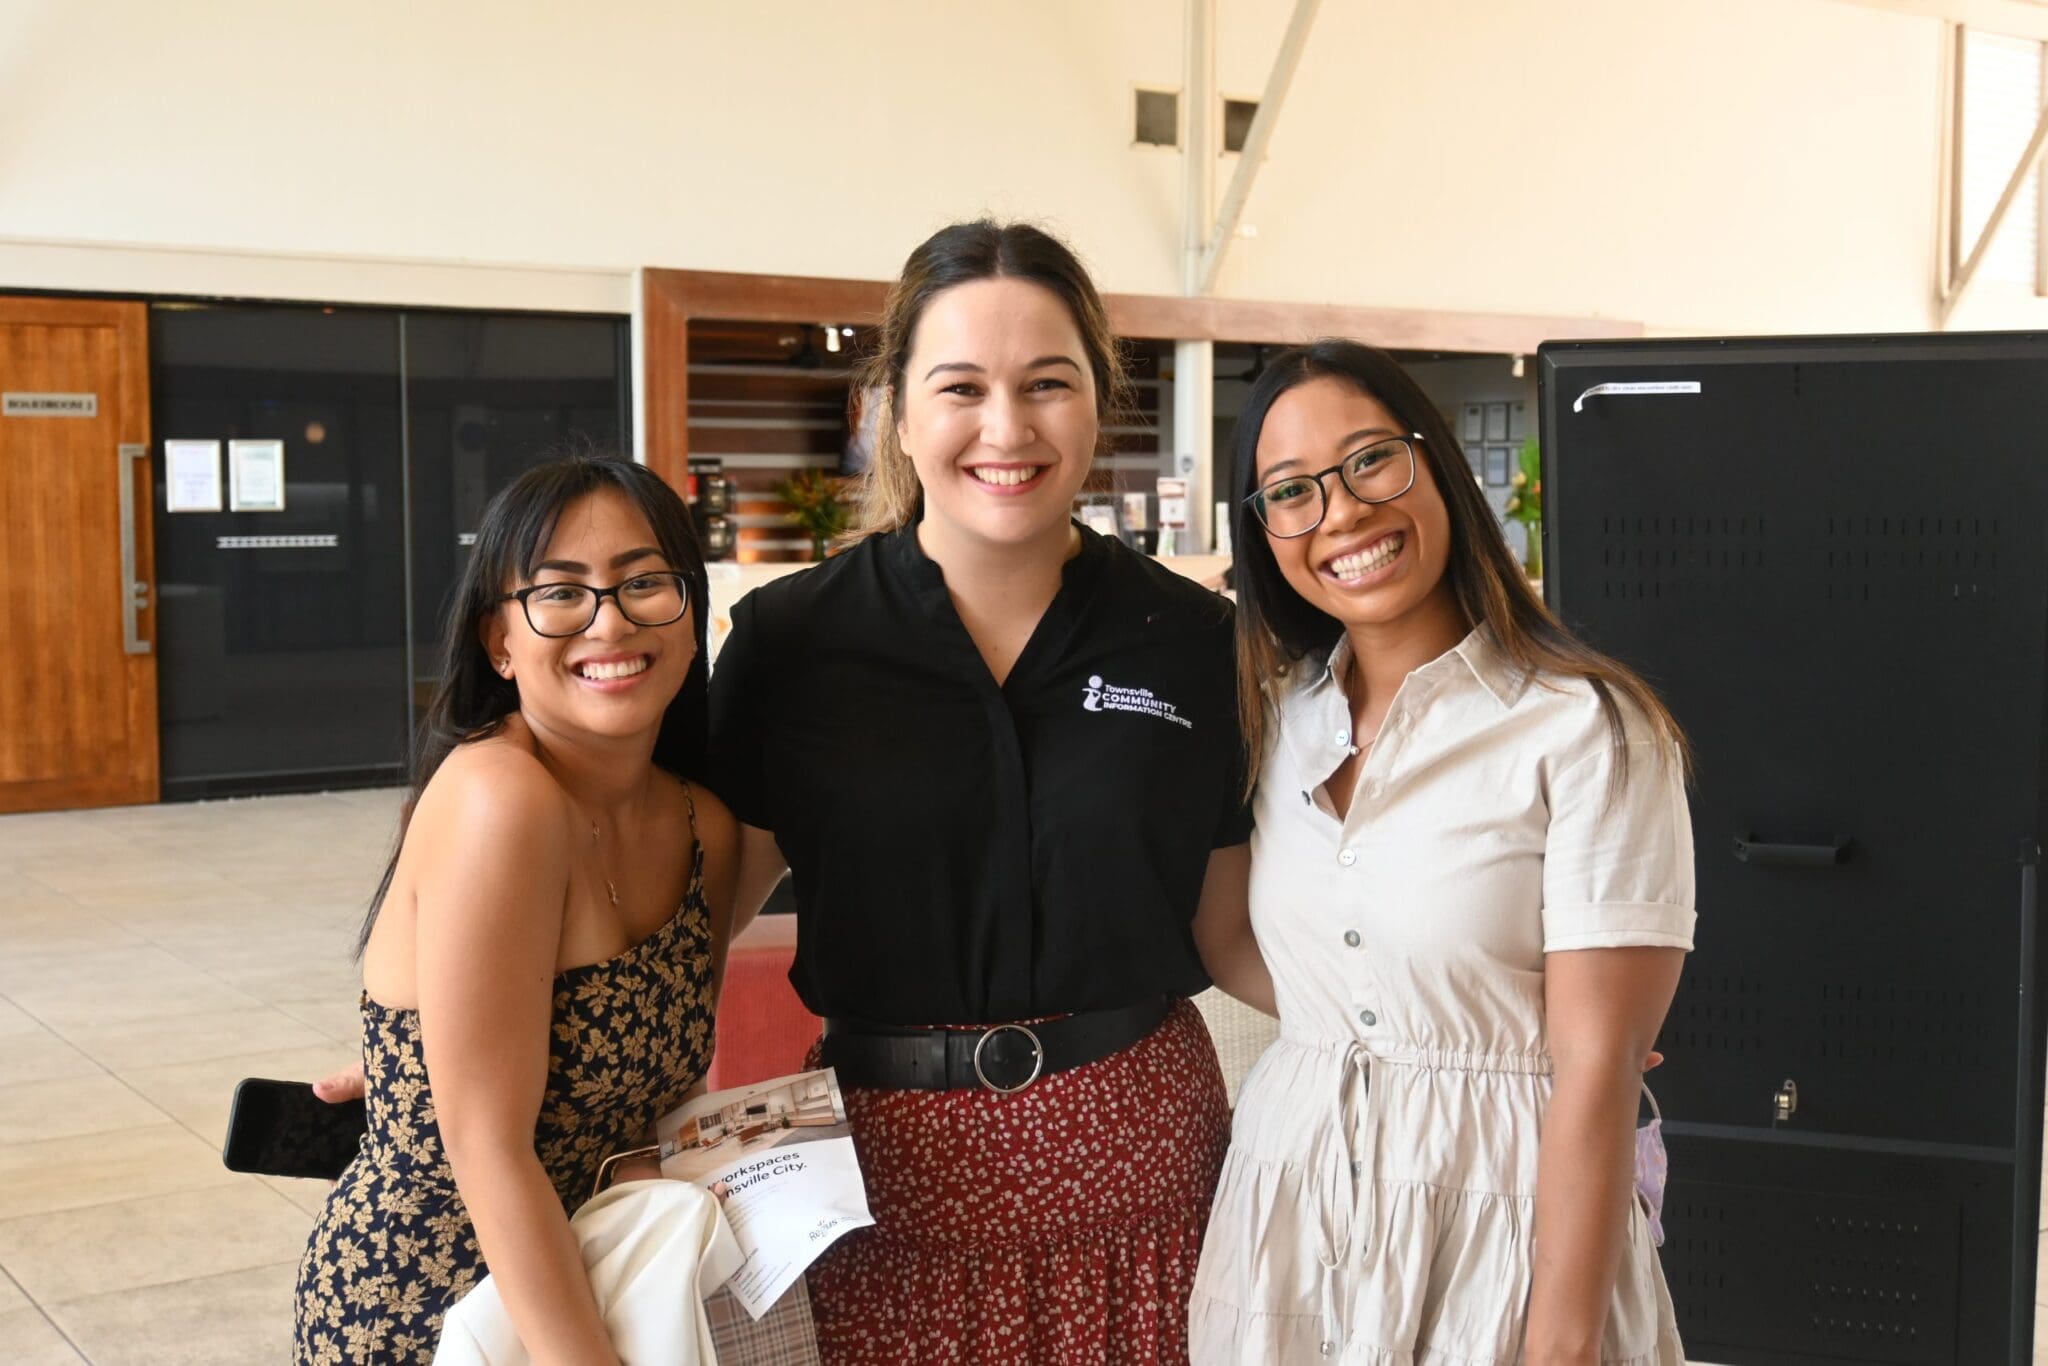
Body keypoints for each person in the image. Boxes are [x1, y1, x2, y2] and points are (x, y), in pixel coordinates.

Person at [707, 218, 1259, 1364]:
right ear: (897, 412)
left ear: (1098, 402)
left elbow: (1240, 930)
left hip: (1143, 1181)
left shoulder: (1190, 640)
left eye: (1046, 383)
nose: (1005, 428)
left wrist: (1484, 1023)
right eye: (960, 386)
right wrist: (470, 1049)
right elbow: (688, 923)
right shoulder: (791, 643)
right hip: (883, 1194)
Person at [1187, 341, 1693, 1364]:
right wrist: (1403, 1018)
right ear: (1263, 531)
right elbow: (1230, 939)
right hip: (1287, 1212)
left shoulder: (1588, 728)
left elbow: (1596, 1068)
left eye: (1370, 459)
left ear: (1437, 465)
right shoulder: (1273, 721)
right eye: (1290, 491)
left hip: (1504, 1214)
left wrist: (1559, 1346)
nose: (1340, 512)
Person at [294, 456, 737, 1364]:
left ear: (691, 614)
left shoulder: (705, 827)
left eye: (644, 582)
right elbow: (486, 1146)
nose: (609, 621)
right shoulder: (499, 798)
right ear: (500, 641)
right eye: (560, 593)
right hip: (430, 1305)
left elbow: (657, 1098)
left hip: (603, 1279)